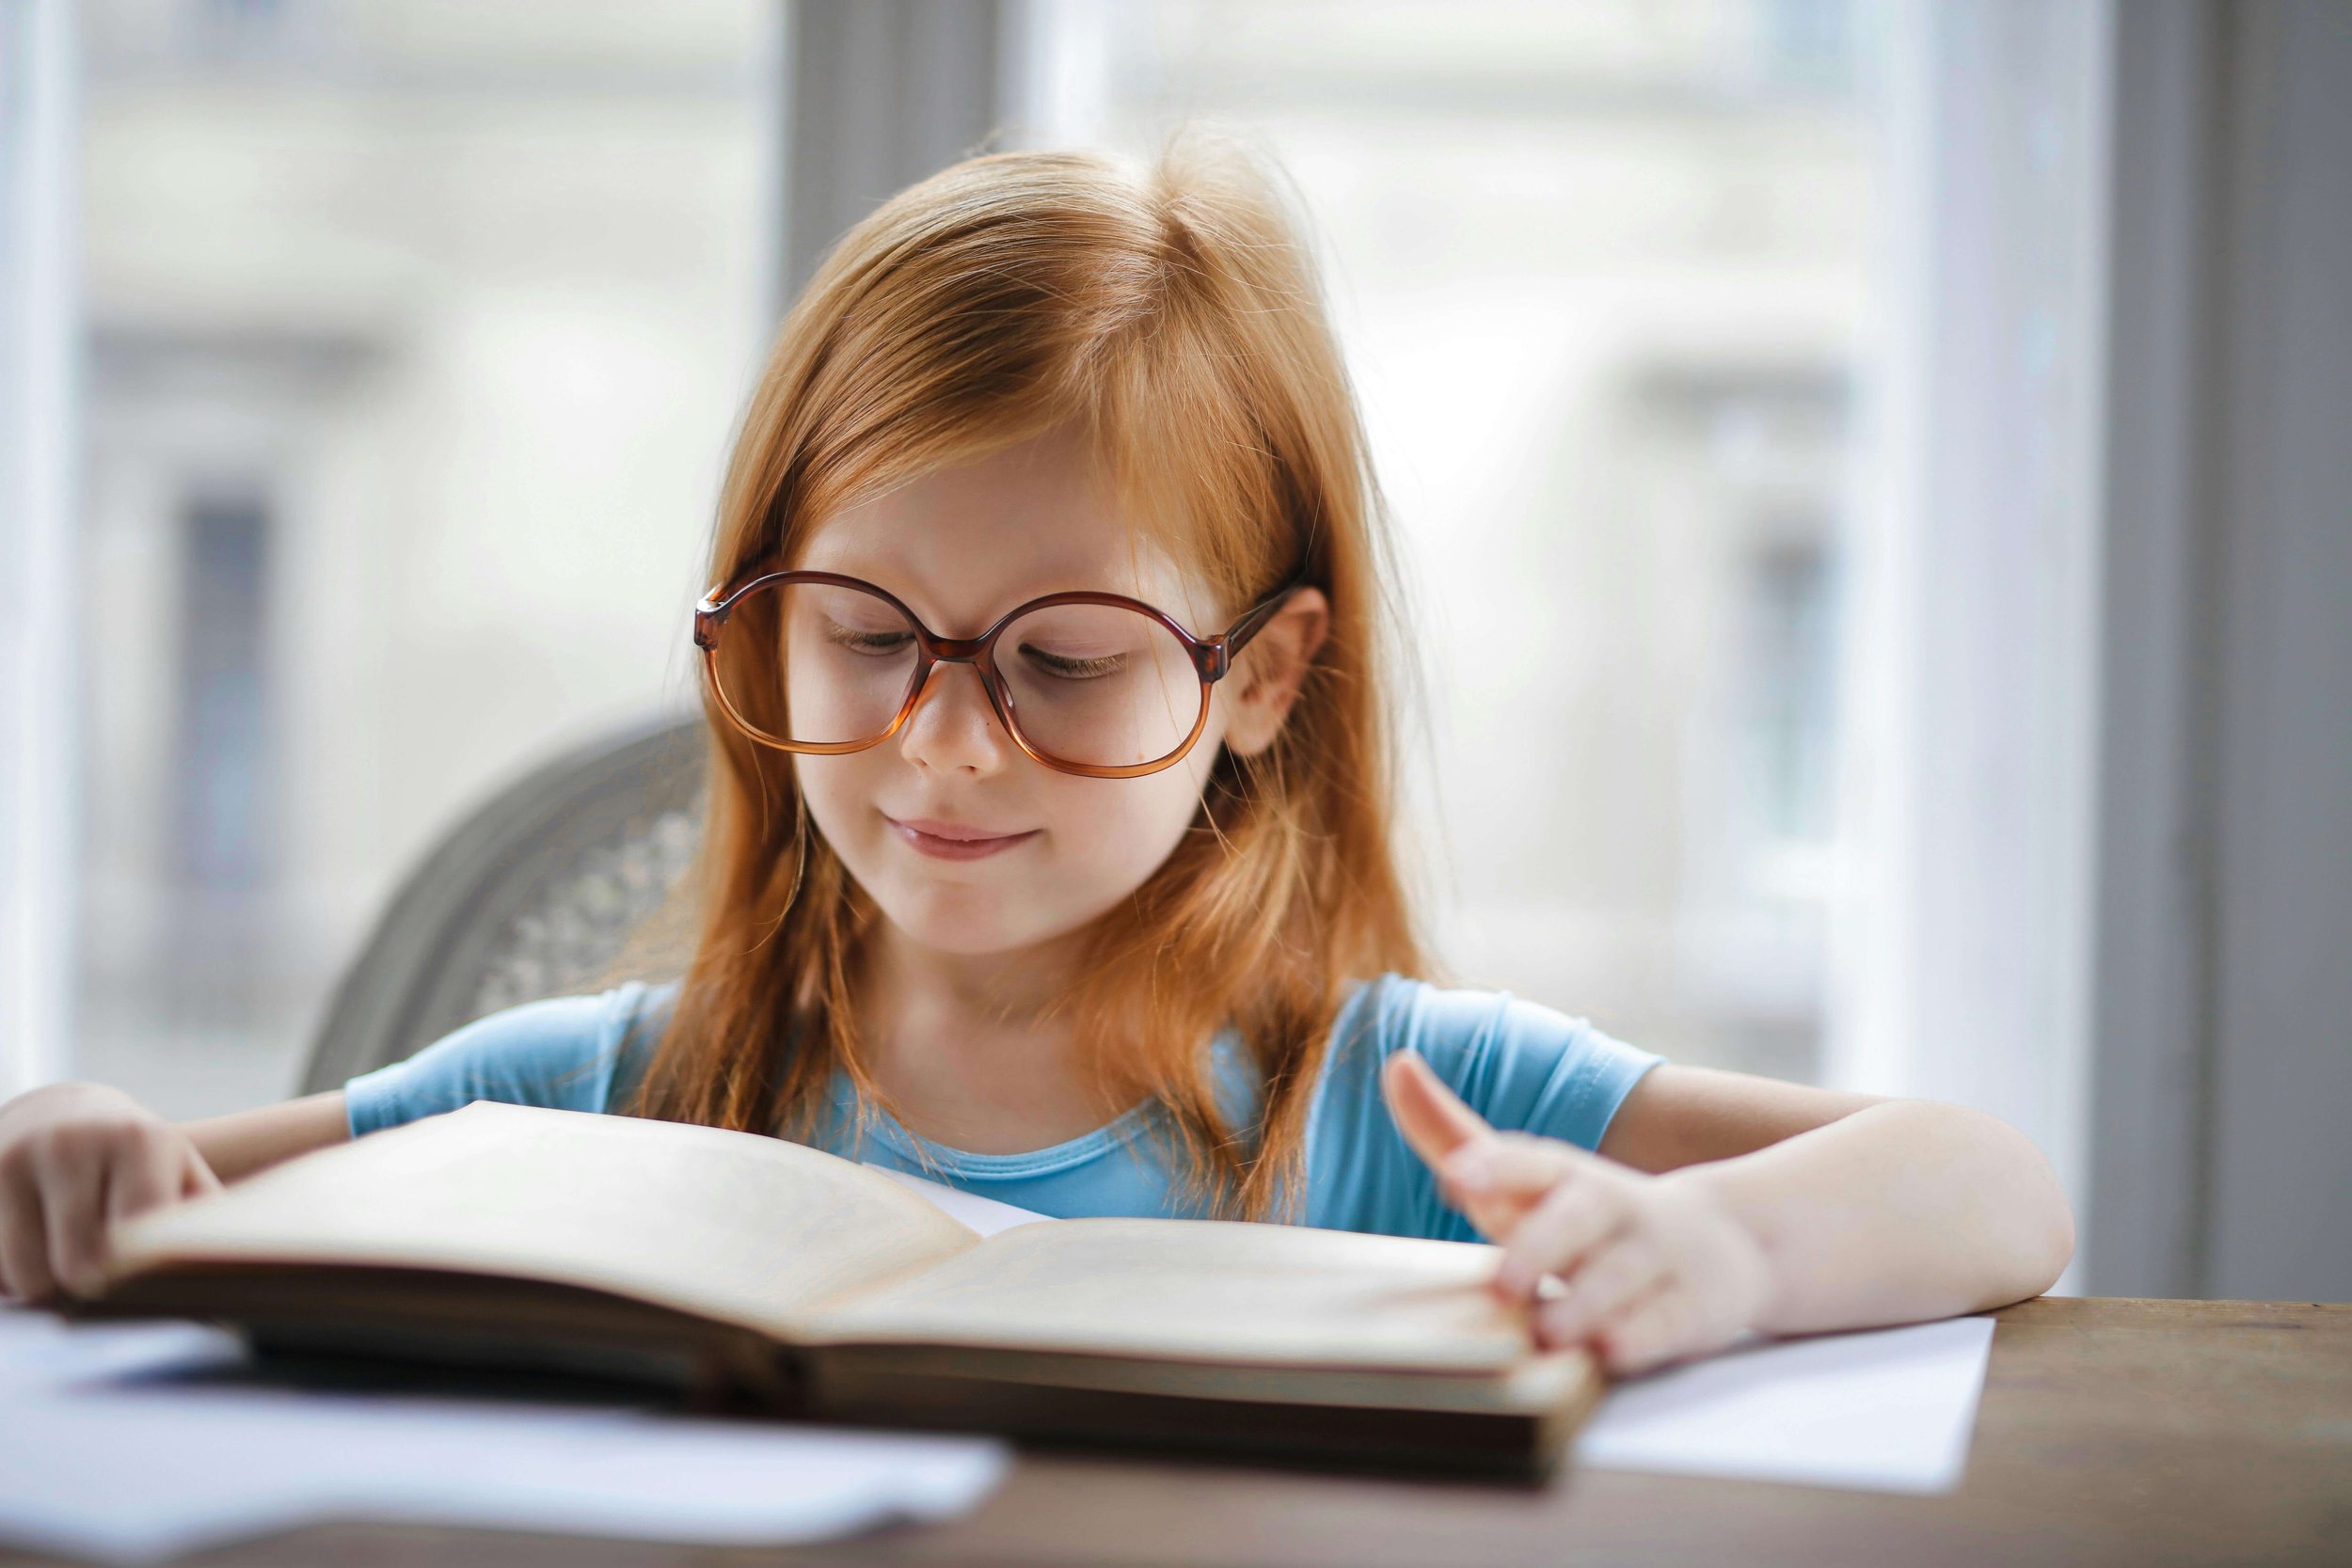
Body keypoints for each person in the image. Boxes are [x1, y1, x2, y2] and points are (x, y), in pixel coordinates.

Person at [0, 139, 2073, 1377]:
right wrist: (70, 1137)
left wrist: (1725, 1253)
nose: (939, 741)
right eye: (866, 635)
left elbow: (1987, 1189)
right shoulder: (604, 1090)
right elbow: (139, 1216)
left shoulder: (1389, 1097)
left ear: (1260, 680)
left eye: (1061, 664)